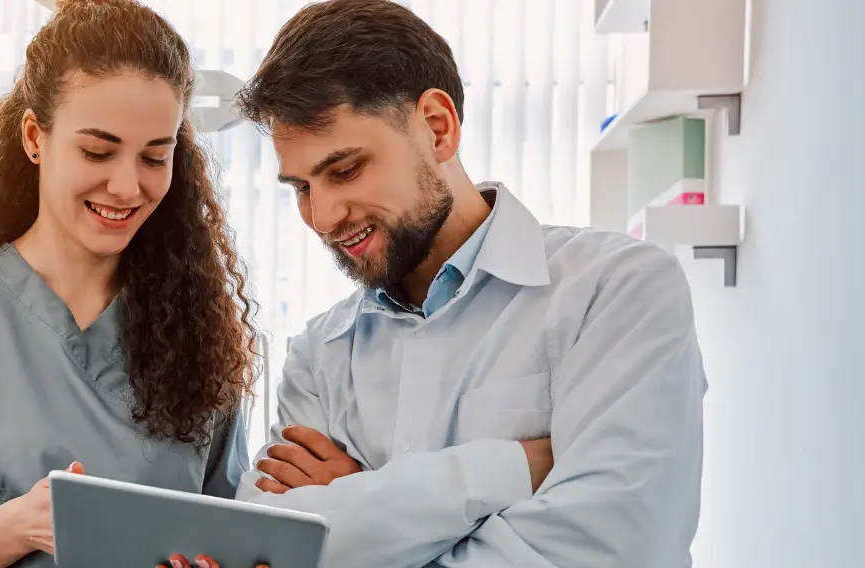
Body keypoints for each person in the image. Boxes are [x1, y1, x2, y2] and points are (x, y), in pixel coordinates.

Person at [164, 1, 707, 567]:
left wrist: (362, 504)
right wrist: (505, 470)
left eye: (344, 170)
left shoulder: (618, 292)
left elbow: (608, 550)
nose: (322, 217)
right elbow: (276, 552)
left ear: (437, 128)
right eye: (300, 187)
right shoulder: (318, 358)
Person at [0, 1, 261, 567]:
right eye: (97, 151)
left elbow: (231, 534)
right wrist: (19, 528)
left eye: (155, 157)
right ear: (35, 137)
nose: (127, 186)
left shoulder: (201, 331)